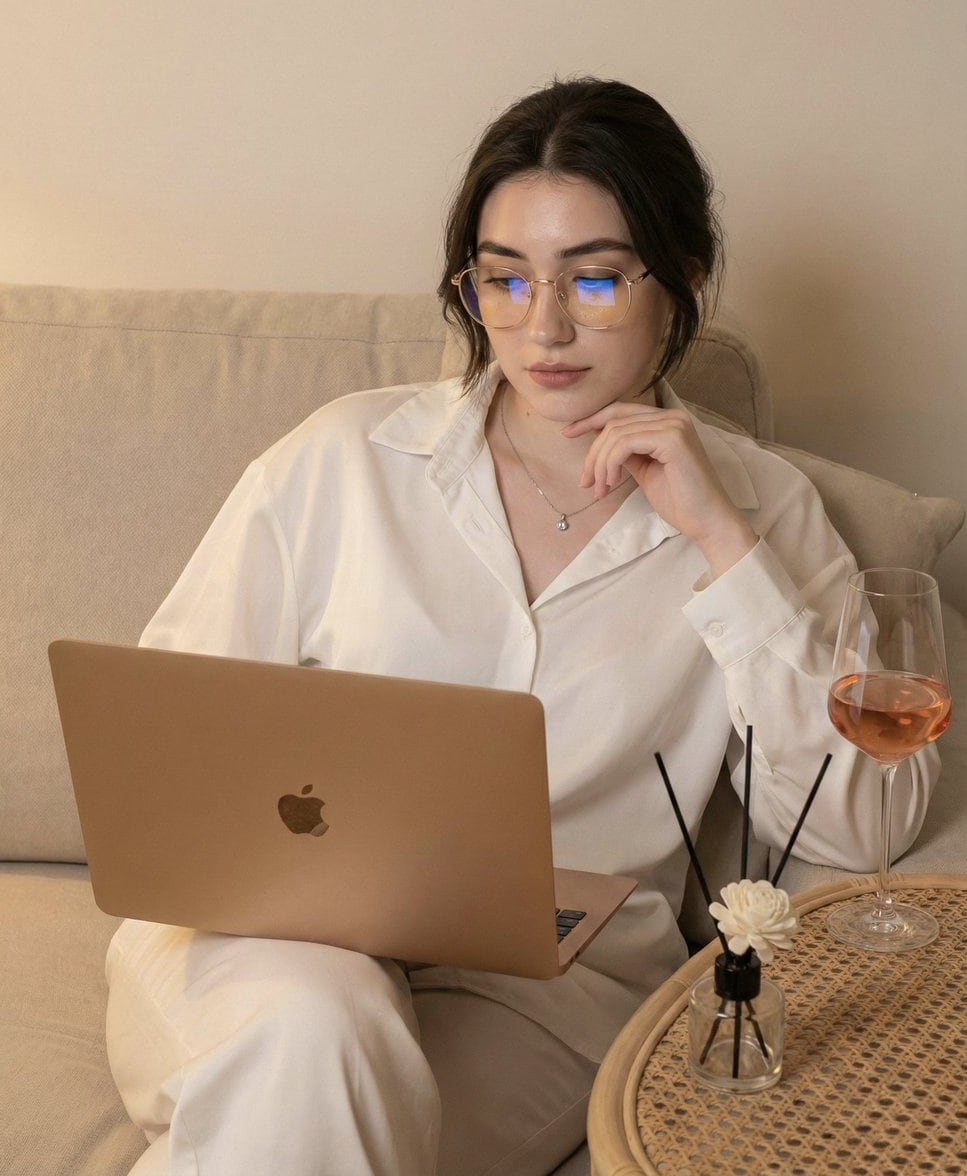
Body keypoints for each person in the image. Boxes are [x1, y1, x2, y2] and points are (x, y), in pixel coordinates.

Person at [105, 77, 938, 1175]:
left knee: (309, 1118)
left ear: (682, 281)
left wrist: (719, 543)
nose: (543, 327)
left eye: (594, 277)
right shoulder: (338, 463)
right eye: (505, 280)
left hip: (546, 994)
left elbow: (862, 831)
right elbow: (163, 747)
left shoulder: (764, 512)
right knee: (313, 1031)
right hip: (266, 947)